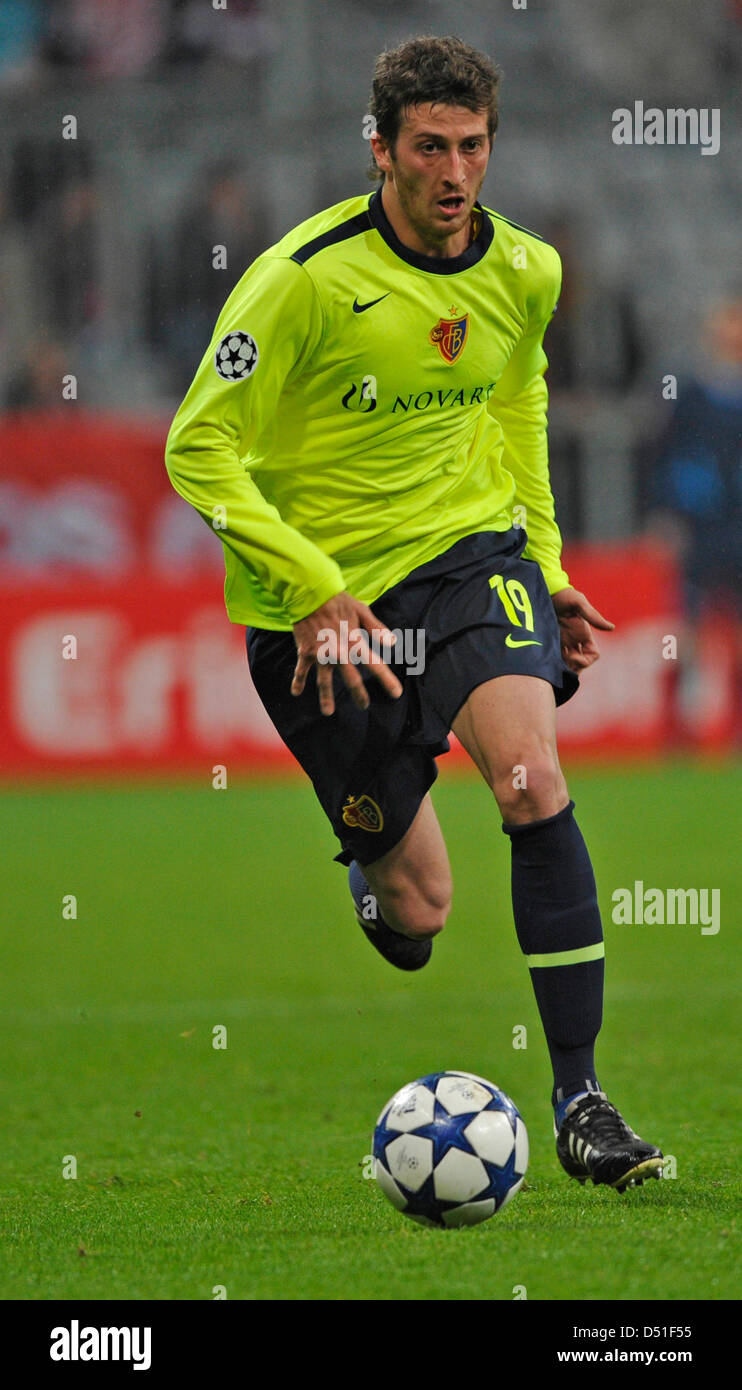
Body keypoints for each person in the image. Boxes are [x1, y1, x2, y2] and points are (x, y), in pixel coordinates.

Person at [166, 35, 663, 1192]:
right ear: (380, 149)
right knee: (419, 912)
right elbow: (201, 444)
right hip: (321, 611)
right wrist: (311, 585)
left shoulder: (526, 271)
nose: (454, 173)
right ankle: (371, 868)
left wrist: (539, 560)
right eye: (429, 148)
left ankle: (582, 1099)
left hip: (465, 560)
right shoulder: (302, 278)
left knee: (532, 781)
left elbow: (517, 397)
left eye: (473, 146)